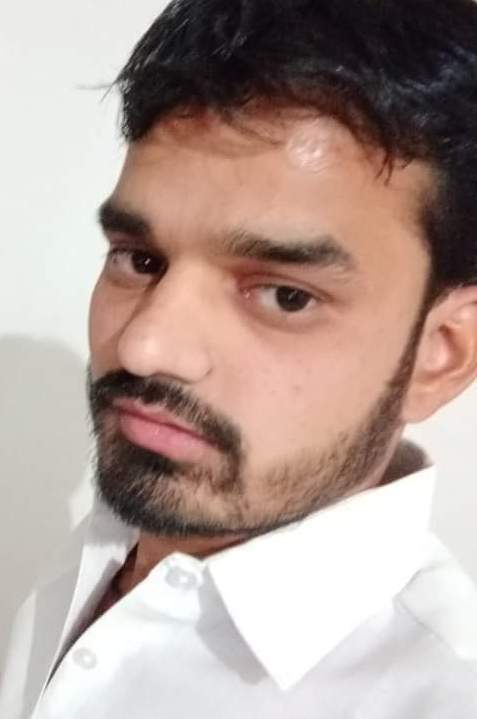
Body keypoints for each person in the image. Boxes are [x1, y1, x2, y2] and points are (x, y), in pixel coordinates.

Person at [2, 0, 477, 716]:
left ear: (441, 354)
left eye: (286, 296)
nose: (144, 347)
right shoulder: (118, 530)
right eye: (139, 259)